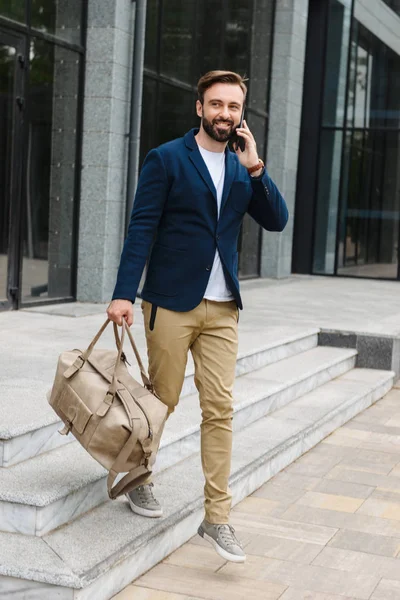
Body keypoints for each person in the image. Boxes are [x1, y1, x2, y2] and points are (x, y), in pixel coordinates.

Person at [107, 70, 288, 563]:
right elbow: (142, 226)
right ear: (200, 108)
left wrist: (257, 171)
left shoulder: (241, 167)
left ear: (241, 113)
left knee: (220, 409)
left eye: (234, 106)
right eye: (217, 104)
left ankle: (218, 517)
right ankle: (137, 478)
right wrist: (125, 293)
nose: (225, 113)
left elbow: (277, 220)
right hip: (169, 302)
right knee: (160, 402)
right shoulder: (167, 158)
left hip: (223, 307)